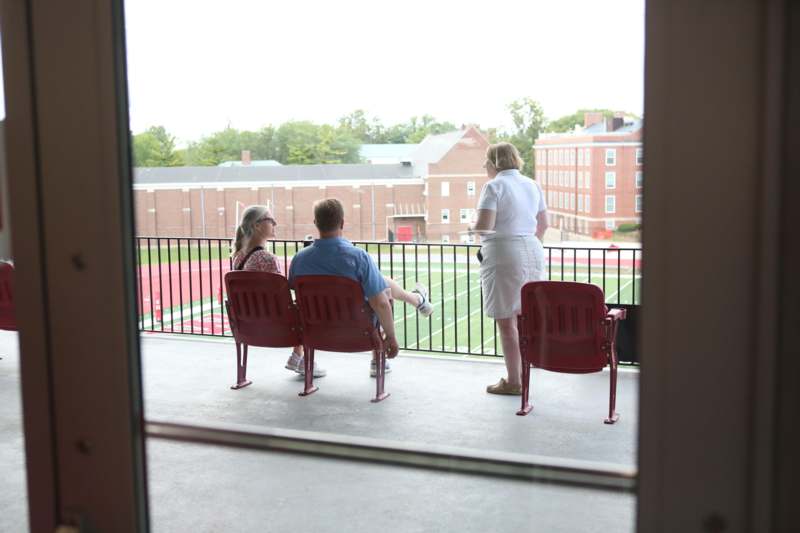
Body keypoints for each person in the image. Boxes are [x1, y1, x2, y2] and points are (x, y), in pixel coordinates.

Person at [288, 198, 433, 376]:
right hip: (356, 329)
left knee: (381, 285)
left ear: (316, 223)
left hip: (316, 329)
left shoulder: (299, 259)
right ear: (342, 222)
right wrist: (392, 337)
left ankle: (417, 300)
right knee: (383, 293)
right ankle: (378, 361)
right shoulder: (358, 258)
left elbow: (296, 293)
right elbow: (380, 304)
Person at [472, 142, 548, 395]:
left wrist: (474, 229)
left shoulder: (494, 186)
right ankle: (527, 370)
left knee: (506, 320)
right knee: (525, 315)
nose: (484, 167)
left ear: (494, 163)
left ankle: (514, 381)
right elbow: (543, 224)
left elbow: (485, 225)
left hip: (504, 252)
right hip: (533, 249)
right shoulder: (532, 184)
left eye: (486, 162)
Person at [231, 205, 327, 378]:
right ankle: (304, 360)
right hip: (276, 326)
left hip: (248, 325)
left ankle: (297, 356)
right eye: (270, 219)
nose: (275, 223)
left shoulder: (238, 256)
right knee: (311, 307)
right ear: (257, 225)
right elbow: (282, 297)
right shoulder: (266, 258)